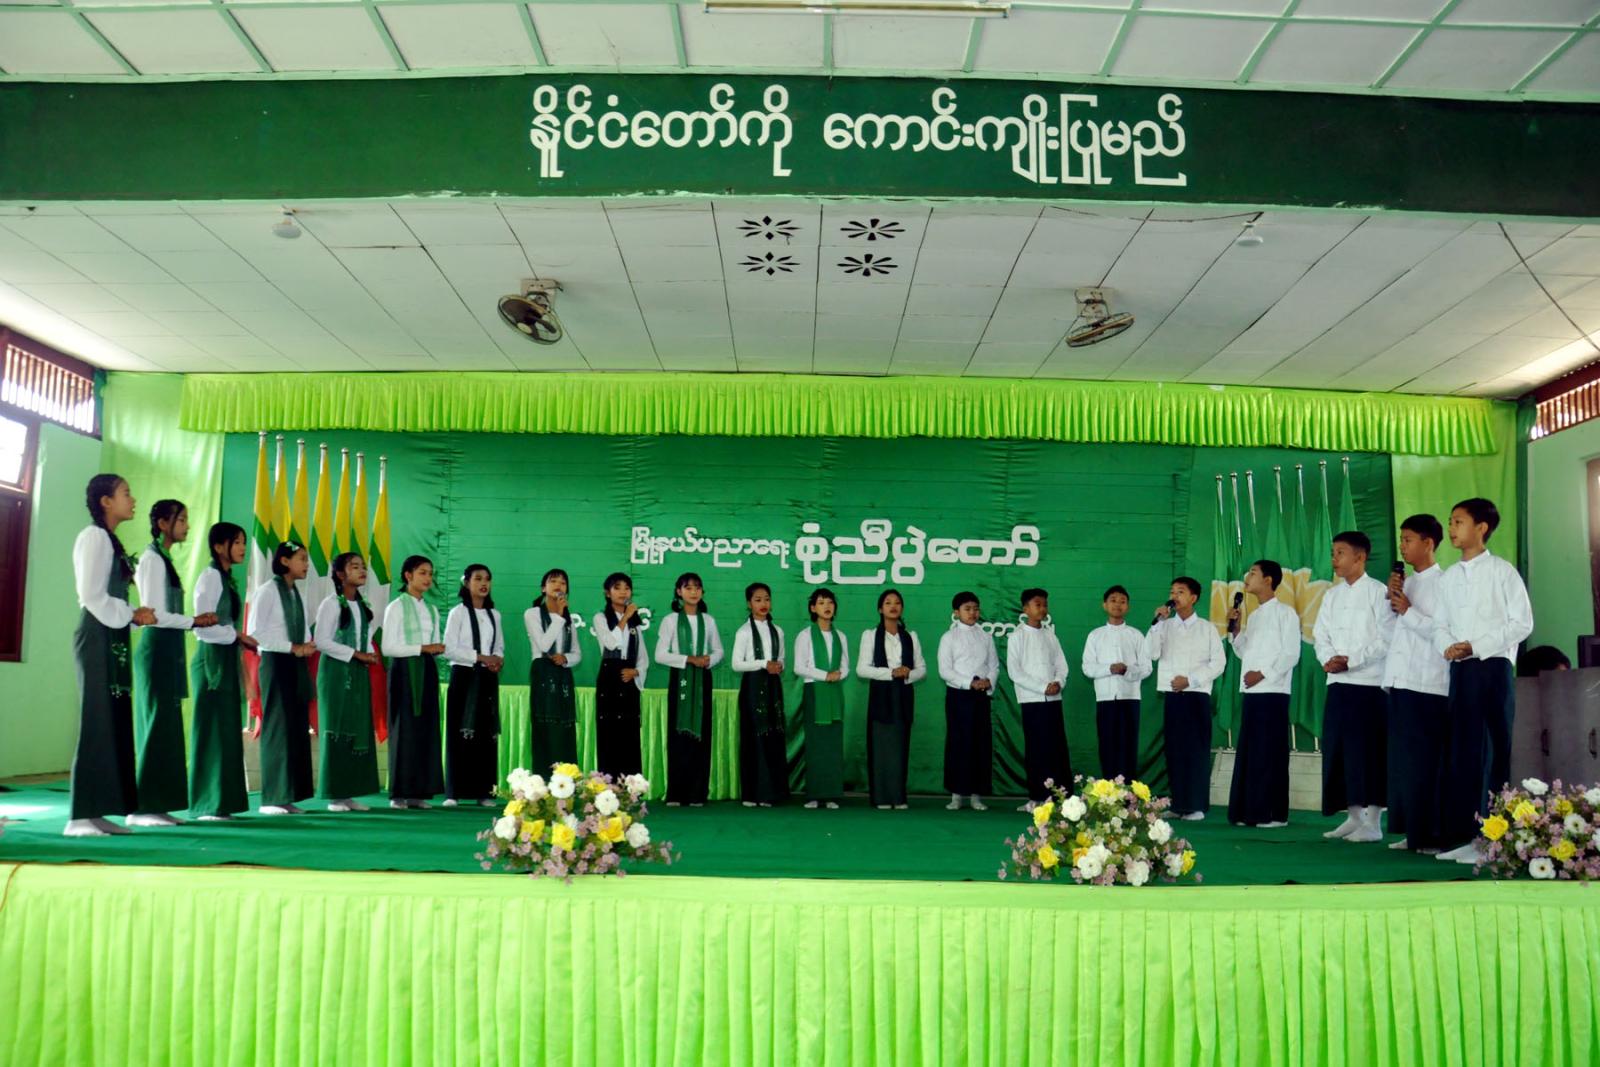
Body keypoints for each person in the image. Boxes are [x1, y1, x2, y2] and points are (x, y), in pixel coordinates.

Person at [1431, 498, 1534, 865]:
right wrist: (1448, 646)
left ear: (1482, 527)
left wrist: (1475, 646)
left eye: (1458, 521)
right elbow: (1439, 624)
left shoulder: (1502, 572)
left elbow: (1522, 623)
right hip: (1461, 670)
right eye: (1450, 521)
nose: (1452, 528)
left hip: (1492, 669)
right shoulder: (1448, 577)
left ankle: (1490, 840)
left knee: (1491, 751)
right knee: (1463, 752)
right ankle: (1463, 836)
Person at [65, 474, 157, 836]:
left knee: (113, 720)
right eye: (126, 493)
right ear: (105, 501)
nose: (132, 500)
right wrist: (133, 613)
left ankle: (99, 810)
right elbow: (91, 595)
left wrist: (133, 615)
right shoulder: (94, 537)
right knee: (96, 720)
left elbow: (109, 597)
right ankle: (78, 816)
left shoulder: (110, 539)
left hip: (112, 635)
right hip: (96, 635)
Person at [130, 499, 216, 826]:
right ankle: (142, 808)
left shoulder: (163, 559)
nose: (187, 526)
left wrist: (192, 622)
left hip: (169, 648)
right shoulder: (152, 559)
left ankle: (159, 804)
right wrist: (194, 621)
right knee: (155, 726)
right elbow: (154, 614)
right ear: (163, 524)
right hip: (156, 648)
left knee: (167, 727)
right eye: (181, 520)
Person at [1313, 531, 1396, 844]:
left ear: (1360, 557)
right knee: (1341, 750)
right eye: (1333, 553)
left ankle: (1373, 822)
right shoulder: (1331, 595)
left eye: (1341, 553)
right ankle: (1353, 817)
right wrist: (1328, 659)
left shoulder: (1378, 593)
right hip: (1338, 682)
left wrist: (1351, 661)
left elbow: (1386, 638)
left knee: (1370, 752)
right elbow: (1320, 634)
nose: (1334, 559)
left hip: (1369, 684)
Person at [1383, 514, 1450, 853]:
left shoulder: (1444, 583)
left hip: (1428, 684)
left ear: (1428, 543)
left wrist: (1408, 610)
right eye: (1401, 539)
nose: (1402, 546)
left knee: (1426, 763)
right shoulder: (1406, 583)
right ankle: (1413, 831)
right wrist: (1393, 598)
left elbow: (1443, 632)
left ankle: (1432, 835)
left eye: (1408, 539)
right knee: (1405, 763)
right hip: (1401, 681)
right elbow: (1391, 629)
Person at [1224, 560, 1299, 828]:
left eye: (1253, 573)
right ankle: (1248, 812)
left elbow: (1290, 654)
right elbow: (1245, 651)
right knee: (1251, 752)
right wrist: (1235, 630)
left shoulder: (1286, 613)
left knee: (1270, 753)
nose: (1247, 576)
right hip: (1253, 693)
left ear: (1268, 580)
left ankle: (1274, 814)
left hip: (1273, 692)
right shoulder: (1254, 616)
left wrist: (1262, 674)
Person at [245, 541, 316, 816]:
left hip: (295, 663)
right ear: (284, 561)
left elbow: (303, 629)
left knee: (295, 728)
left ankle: (288, 796)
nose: (306, 564)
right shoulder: (267, 591)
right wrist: (293, 647)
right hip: (276, 663)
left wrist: (306, 645)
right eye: (301, 558)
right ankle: (271, 798)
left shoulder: (296, 593)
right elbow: (255, 633)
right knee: (278, 727)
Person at [187, 522, 252, 821]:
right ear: (218, 546)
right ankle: (207, 803)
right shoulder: (210, 577)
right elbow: (202, 627)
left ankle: (223, 802)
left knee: (225, 731)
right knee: (211, 731)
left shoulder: (226, 579)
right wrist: (236, 636)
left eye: (243, 542)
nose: (242, 548)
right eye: (236, 542)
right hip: (211, 660)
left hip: (225, 658)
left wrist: (235, 638)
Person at [1146, 577, 1225, 821]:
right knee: (1175, 750)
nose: (1174, 596)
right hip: (1173, 696)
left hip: (1196, 696)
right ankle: (1178, 804)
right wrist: (1157, 624)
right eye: (1172, 592)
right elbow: (1150, 653)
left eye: (1180, 592)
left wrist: (1190, 680)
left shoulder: (1206, 628)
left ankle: (1196, 806)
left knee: (1196, 751)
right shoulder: (1165, 625)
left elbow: (1218, 663)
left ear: (1193, 597)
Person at [313, 552, 382, 812]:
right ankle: (335, 795)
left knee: (357, 728)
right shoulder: (331, 604)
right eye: (355, 567)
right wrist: (355, 654)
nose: (362, 571)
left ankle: (349, 793)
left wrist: (368, 654)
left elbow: (364, 637)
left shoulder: (363, 605)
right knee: (338, 729)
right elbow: (321, 641)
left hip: (358, 672)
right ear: (340, 574)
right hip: (336, 674)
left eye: (363, 566)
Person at [381, 554, 446, 809]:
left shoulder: (432, 610)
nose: (428, 578)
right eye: (422, 573)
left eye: (430, 573)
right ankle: (399, 793)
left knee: (425, 728)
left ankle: (419, 792)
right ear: (408, 576)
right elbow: (388, 647)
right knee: (404, 728)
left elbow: (435, 643)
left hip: (426, 670)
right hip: (404, 672)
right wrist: (422, 648)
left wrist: (436, 649)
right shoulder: (396, 606)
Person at [655, 572, 723, 806]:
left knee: (701, 734)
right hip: (681, 678)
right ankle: (676, 793)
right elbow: (660, 654)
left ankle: (697, 793)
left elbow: (719, 651)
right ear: (679, 592)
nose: (693, 592)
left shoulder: (709, 621)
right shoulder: (670, 620)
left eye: (697, 588)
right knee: (679, 735)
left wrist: (707, 660)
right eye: (688, 588)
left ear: (702, 592)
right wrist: (688, 659)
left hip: (703, 678)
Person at [857, 589, 925, 810]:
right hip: (881, 694)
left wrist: (907, 673)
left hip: (902, 695)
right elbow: (861, 669)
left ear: (902, 608)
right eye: (888, 603)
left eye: (897, 603)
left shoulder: (911, 636)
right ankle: (881, 797)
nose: (893, 606)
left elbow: (922, 669)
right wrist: (890, 673)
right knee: (880, 747)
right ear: (880, 609)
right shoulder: (870, 635)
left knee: (900, 747)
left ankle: (898, 797)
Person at [444, 563, 504, 806]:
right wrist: (480, 657)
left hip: (487, 677)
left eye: (487, 579)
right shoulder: (457, 613)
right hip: (464, 676)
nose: (483, 583)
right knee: (459, 732)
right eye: (478, 578)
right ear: (466, 583)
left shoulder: (494, 615)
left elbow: (499, 646)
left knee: (486, 734)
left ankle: (484, 792)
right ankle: (453, 792)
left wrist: (497, 659)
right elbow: (449, 649)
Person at [1008, 587, 1070, 807]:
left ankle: (1061, 798)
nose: (1042, 609)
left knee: (1057, 749)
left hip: (1053, 700)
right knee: (1036, 750)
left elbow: (1061, 665)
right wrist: (1043, 687)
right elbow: (1015, 672)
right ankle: (1036, 798)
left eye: (1045, 605)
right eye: (1037, 604)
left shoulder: (1050, 635)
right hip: (1031, 701)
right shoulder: (1017, 636)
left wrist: (1058, 682)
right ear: (1025, 609)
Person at [1081, 585, 1150, 784]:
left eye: (1122, 601)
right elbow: (1087, 667)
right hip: (1105, 699)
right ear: (1104, 605)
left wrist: (1127, 670)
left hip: (1130, 698)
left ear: (1128, 606)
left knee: (1129, 746)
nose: (1117, 604)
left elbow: (1147, 668)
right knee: (1107, 746)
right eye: (1113, 600)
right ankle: (1108, 793)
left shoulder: (1136, 635)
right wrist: (1109, 669)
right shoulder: (1095, 635)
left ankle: (1129, 794)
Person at [938, 591, 998, 811]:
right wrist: (969, 682)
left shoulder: (986, 637)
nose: (972, 613)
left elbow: (994, 665)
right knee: (958, 743)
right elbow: (945, 670)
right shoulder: (949, 637)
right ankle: (956, 794)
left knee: (980, 744)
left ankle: (976, 795)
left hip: (980, 696)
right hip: (959, 696)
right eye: (967, 609)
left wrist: (988, 681)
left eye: (976, 609)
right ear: (956, 612)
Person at [733, 582, 788, 808]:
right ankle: (751, 793)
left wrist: (778, 665)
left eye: (766, 599)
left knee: (773, 736)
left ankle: (772, 792)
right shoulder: (744, 632)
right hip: (753, 688)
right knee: (753, 738)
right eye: (757, 600)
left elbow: (781, 658)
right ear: (749, 604)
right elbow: (737, 664)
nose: (763, 604)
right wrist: (763, 663)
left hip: (773, 687)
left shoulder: (778, 631)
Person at [525, 567, 583, 772]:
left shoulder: (568, 619)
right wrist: (558, 615)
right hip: (543, 671)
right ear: (543, 588)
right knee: (545, 727)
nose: (559, 585)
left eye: (563, 583)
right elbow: (543, 644)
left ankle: (566, 779)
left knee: (564, 728)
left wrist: (566, 658)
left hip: (562, 674)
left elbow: (577, 653)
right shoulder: (532, 613)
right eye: (553, 581)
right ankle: (543, 779)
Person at [796, 588, 849, 810]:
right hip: (815, 692)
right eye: (821, 602)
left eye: (830, 602)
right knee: (816, 745)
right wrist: (825, 675)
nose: (826, 606)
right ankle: (815, 795)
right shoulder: (805, 635)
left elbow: (845, 666)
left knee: (832, 745)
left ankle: (831, 794)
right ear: (812, 608)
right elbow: (799, 667)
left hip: (834, 693)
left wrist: (837, 675)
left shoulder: (840, 636)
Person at [592, 572, 646, 779]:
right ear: (608, 593)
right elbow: (611, 642)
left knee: (629, 732)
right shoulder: (600, 618)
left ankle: (631, 787)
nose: (623, 592)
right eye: (617, 588)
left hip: (629, 679)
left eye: (627, 588)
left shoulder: (635, 624)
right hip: (609, 678)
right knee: (609, 732)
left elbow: (643, 656)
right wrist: (625, 617)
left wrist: (637, 671)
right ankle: (609, 785)